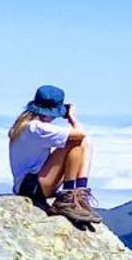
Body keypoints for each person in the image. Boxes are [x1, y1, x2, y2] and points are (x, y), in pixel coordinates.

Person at [8, 84, 99, 226]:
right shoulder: (37, 128)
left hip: (31, 185)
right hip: (32, 187)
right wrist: (71, 116)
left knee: (84, 142)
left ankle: (79, 194)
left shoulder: (26, 125)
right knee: (77, 142)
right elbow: (80, 134)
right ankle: (67, 197)